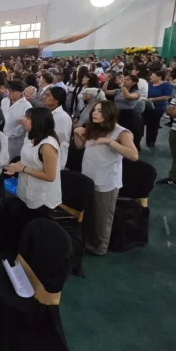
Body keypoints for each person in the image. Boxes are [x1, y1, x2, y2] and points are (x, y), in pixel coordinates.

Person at [74, 101, 138, 255]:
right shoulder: (94, 128)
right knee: (89, 214)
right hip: (88, 177)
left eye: (100, 111)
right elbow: (80, 146)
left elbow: (133, 155)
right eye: (94, 110)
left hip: (106, 181)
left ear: (109, 113)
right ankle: (87, 242)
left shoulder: (121, 132)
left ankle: (98, 248)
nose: (95, 113)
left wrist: (110, 142)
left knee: (101, 217)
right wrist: (77, 133)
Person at [2, 107, 61, 246]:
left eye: (28, 118)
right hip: (26, 188)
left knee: (35, 231)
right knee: (23, 225)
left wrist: (22, 168)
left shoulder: (47, 145)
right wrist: (16, 167)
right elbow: (28, 160)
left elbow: (50, 176)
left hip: (41, 195)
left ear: (38, 122)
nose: (24, 120)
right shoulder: (30, 137)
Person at [106, 75, 141, 149]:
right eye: (124, 79)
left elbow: (127, 96)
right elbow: (104, 92)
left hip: (128, 115)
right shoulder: (118, 91)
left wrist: (122, 85)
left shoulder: (136, 92)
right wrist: (106, 81)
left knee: (126, 132)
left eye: (127, 80)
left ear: (134, 82)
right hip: (117, 113)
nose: (124, 80)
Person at [0, 79, 32, 159]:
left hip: (15, 141)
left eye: (12, 91)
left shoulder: (27, 106)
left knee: (11, 160)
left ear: (21, 92)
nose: (9, 93)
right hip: (1, 137)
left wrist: (7, 135)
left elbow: (22, 127)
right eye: (8, 90)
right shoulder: (4, 101)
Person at [43, 86, 72, 169]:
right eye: (45, 94)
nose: (44, 97)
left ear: (56, 100)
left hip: (54, 155)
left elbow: (60, 140)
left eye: (48, 95)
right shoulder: (47, 112)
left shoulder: (62, 117)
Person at [143, 71, 174, 147]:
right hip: (147, 106)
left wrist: (153, 99)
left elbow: (167, 97)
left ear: (159, 77)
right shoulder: (149, 84)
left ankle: (151, 140)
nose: (151, 77)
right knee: (146, 122)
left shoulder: (167, 86)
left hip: (158, 107)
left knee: (154, 123)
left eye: (153, 76)